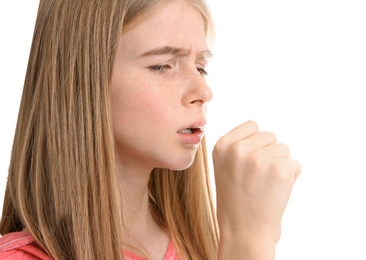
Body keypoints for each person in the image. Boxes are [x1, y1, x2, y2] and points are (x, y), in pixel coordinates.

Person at [0, 0, 301, 259]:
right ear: (83, 82)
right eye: (163, 66)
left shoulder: (193, 245)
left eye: (200, 67)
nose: (203, 90)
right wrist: (247, 242)